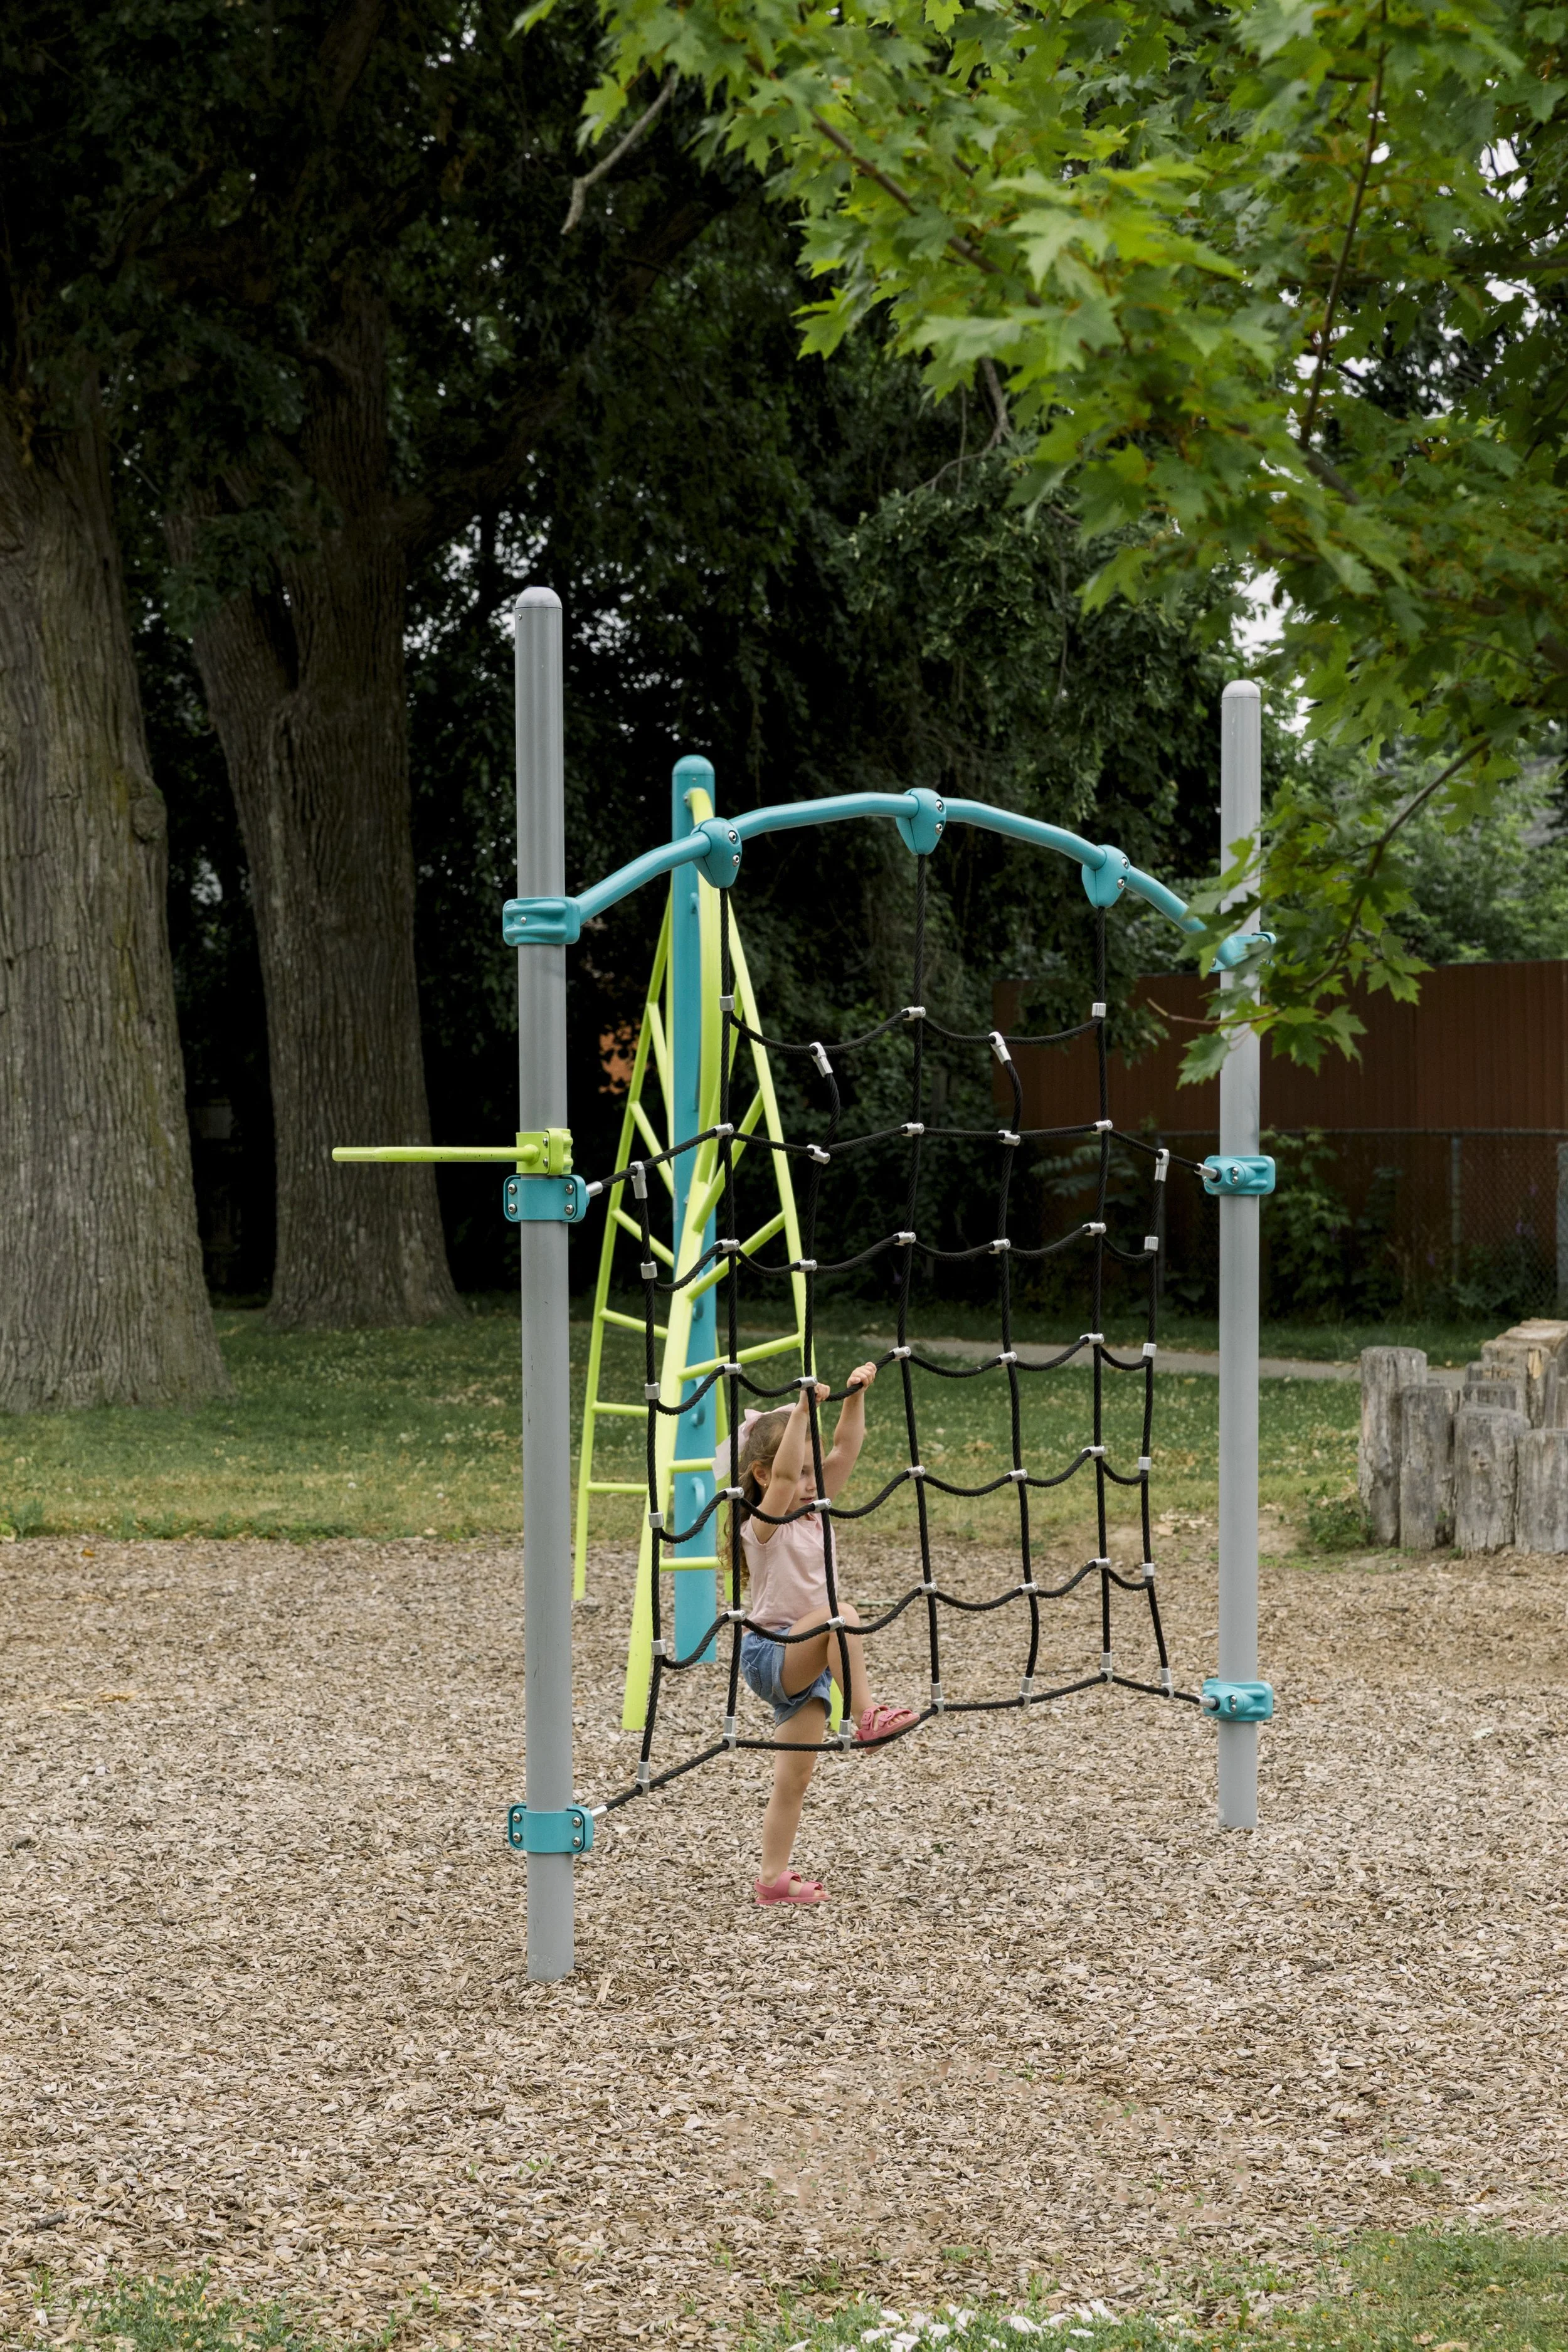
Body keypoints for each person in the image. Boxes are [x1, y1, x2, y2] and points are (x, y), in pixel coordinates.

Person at [718, 1362, 917, 1907]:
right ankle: (868, 1715)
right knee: (842, 1613)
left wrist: (854, 1398)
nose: (811, 1483)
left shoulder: (816, 1511)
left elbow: (846, 1452)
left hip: (810, 1665)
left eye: (813, 1474)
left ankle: (772, 1880)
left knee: (795, 1777)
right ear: (762, 1474)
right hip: (772, 1651)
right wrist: (802, 1409)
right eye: (801, 1474)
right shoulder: (763, 1525)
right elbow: (785, 1482)